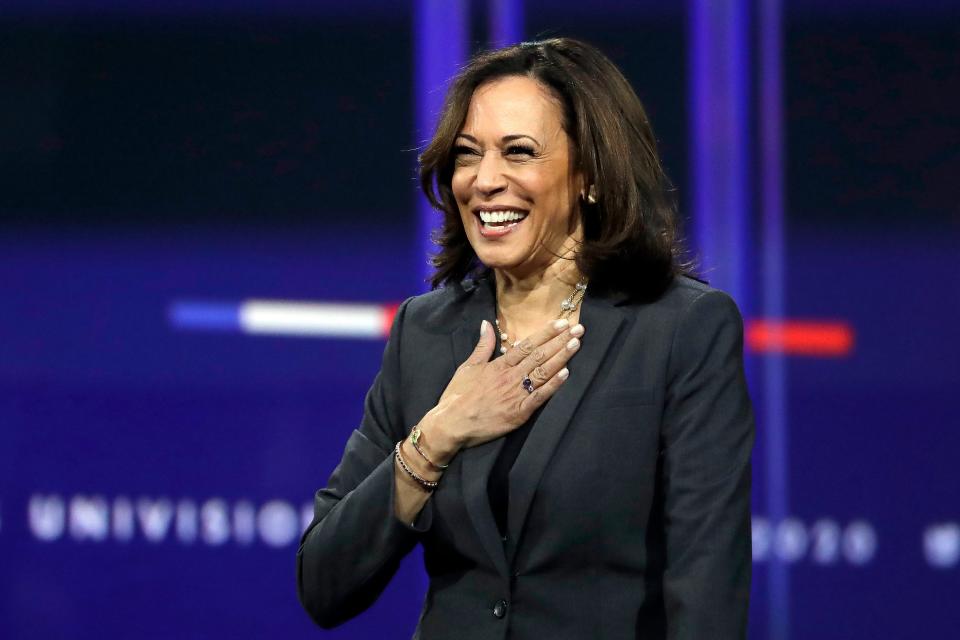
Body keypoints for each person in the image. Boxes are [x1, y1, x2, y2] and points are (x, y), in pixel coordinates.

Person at [297, 38, 754, 639]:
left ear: (590, 175)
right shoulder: (424, 331)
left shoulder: (680, 330)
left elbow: (706, 593)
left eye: (519, 152)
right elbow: (324, 583)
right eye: (467, 154)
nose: (484, 180)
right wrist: (437, 435)